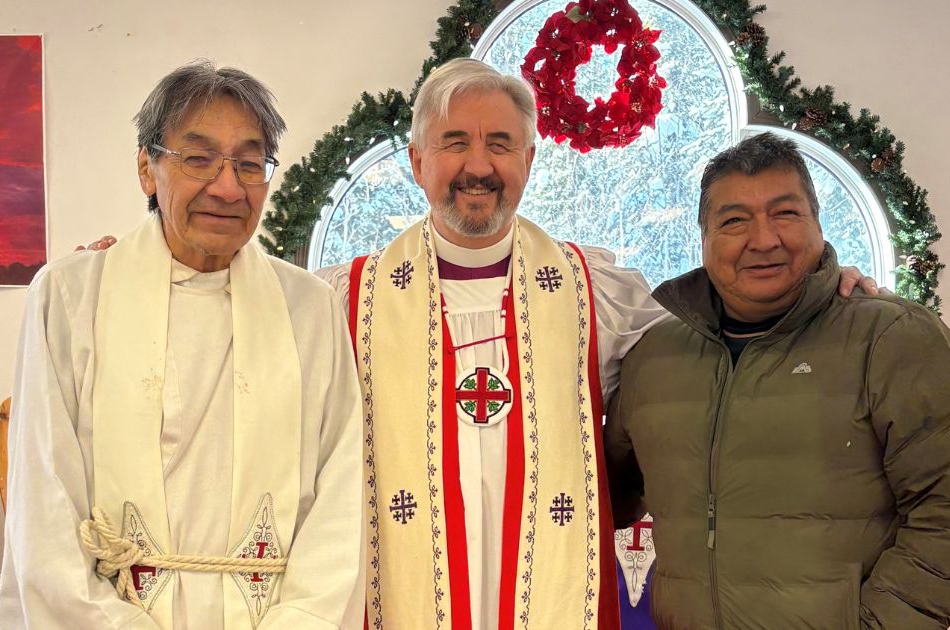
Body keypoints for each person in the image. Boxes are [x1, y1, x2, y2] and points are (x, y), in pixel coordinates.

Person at [316, 59, 879, 630]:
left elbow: (717, 324)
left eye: (502, 144)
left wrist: (821, 285)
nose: (479, 165)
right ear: (416, 161)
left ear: (529, 161)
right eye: (454, 142)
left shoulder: (594, 291)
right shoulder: (345, 301)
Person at [0, 61, 364, 630]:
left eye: (249, 164)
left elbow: (340, 501)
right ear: (147, 168)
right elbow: (42, 503)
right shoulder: (72, 296)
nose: (227, 186)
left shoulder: (309, 308)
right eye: (198, 158)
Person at [604, 132, 950, 629]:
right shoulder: (653, 354)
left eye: (785, 213)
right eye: (733, 221)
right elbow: (605, 493)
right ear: (703, 237)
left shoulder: (891, 339)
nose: (764, 239)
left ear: (817, 223)